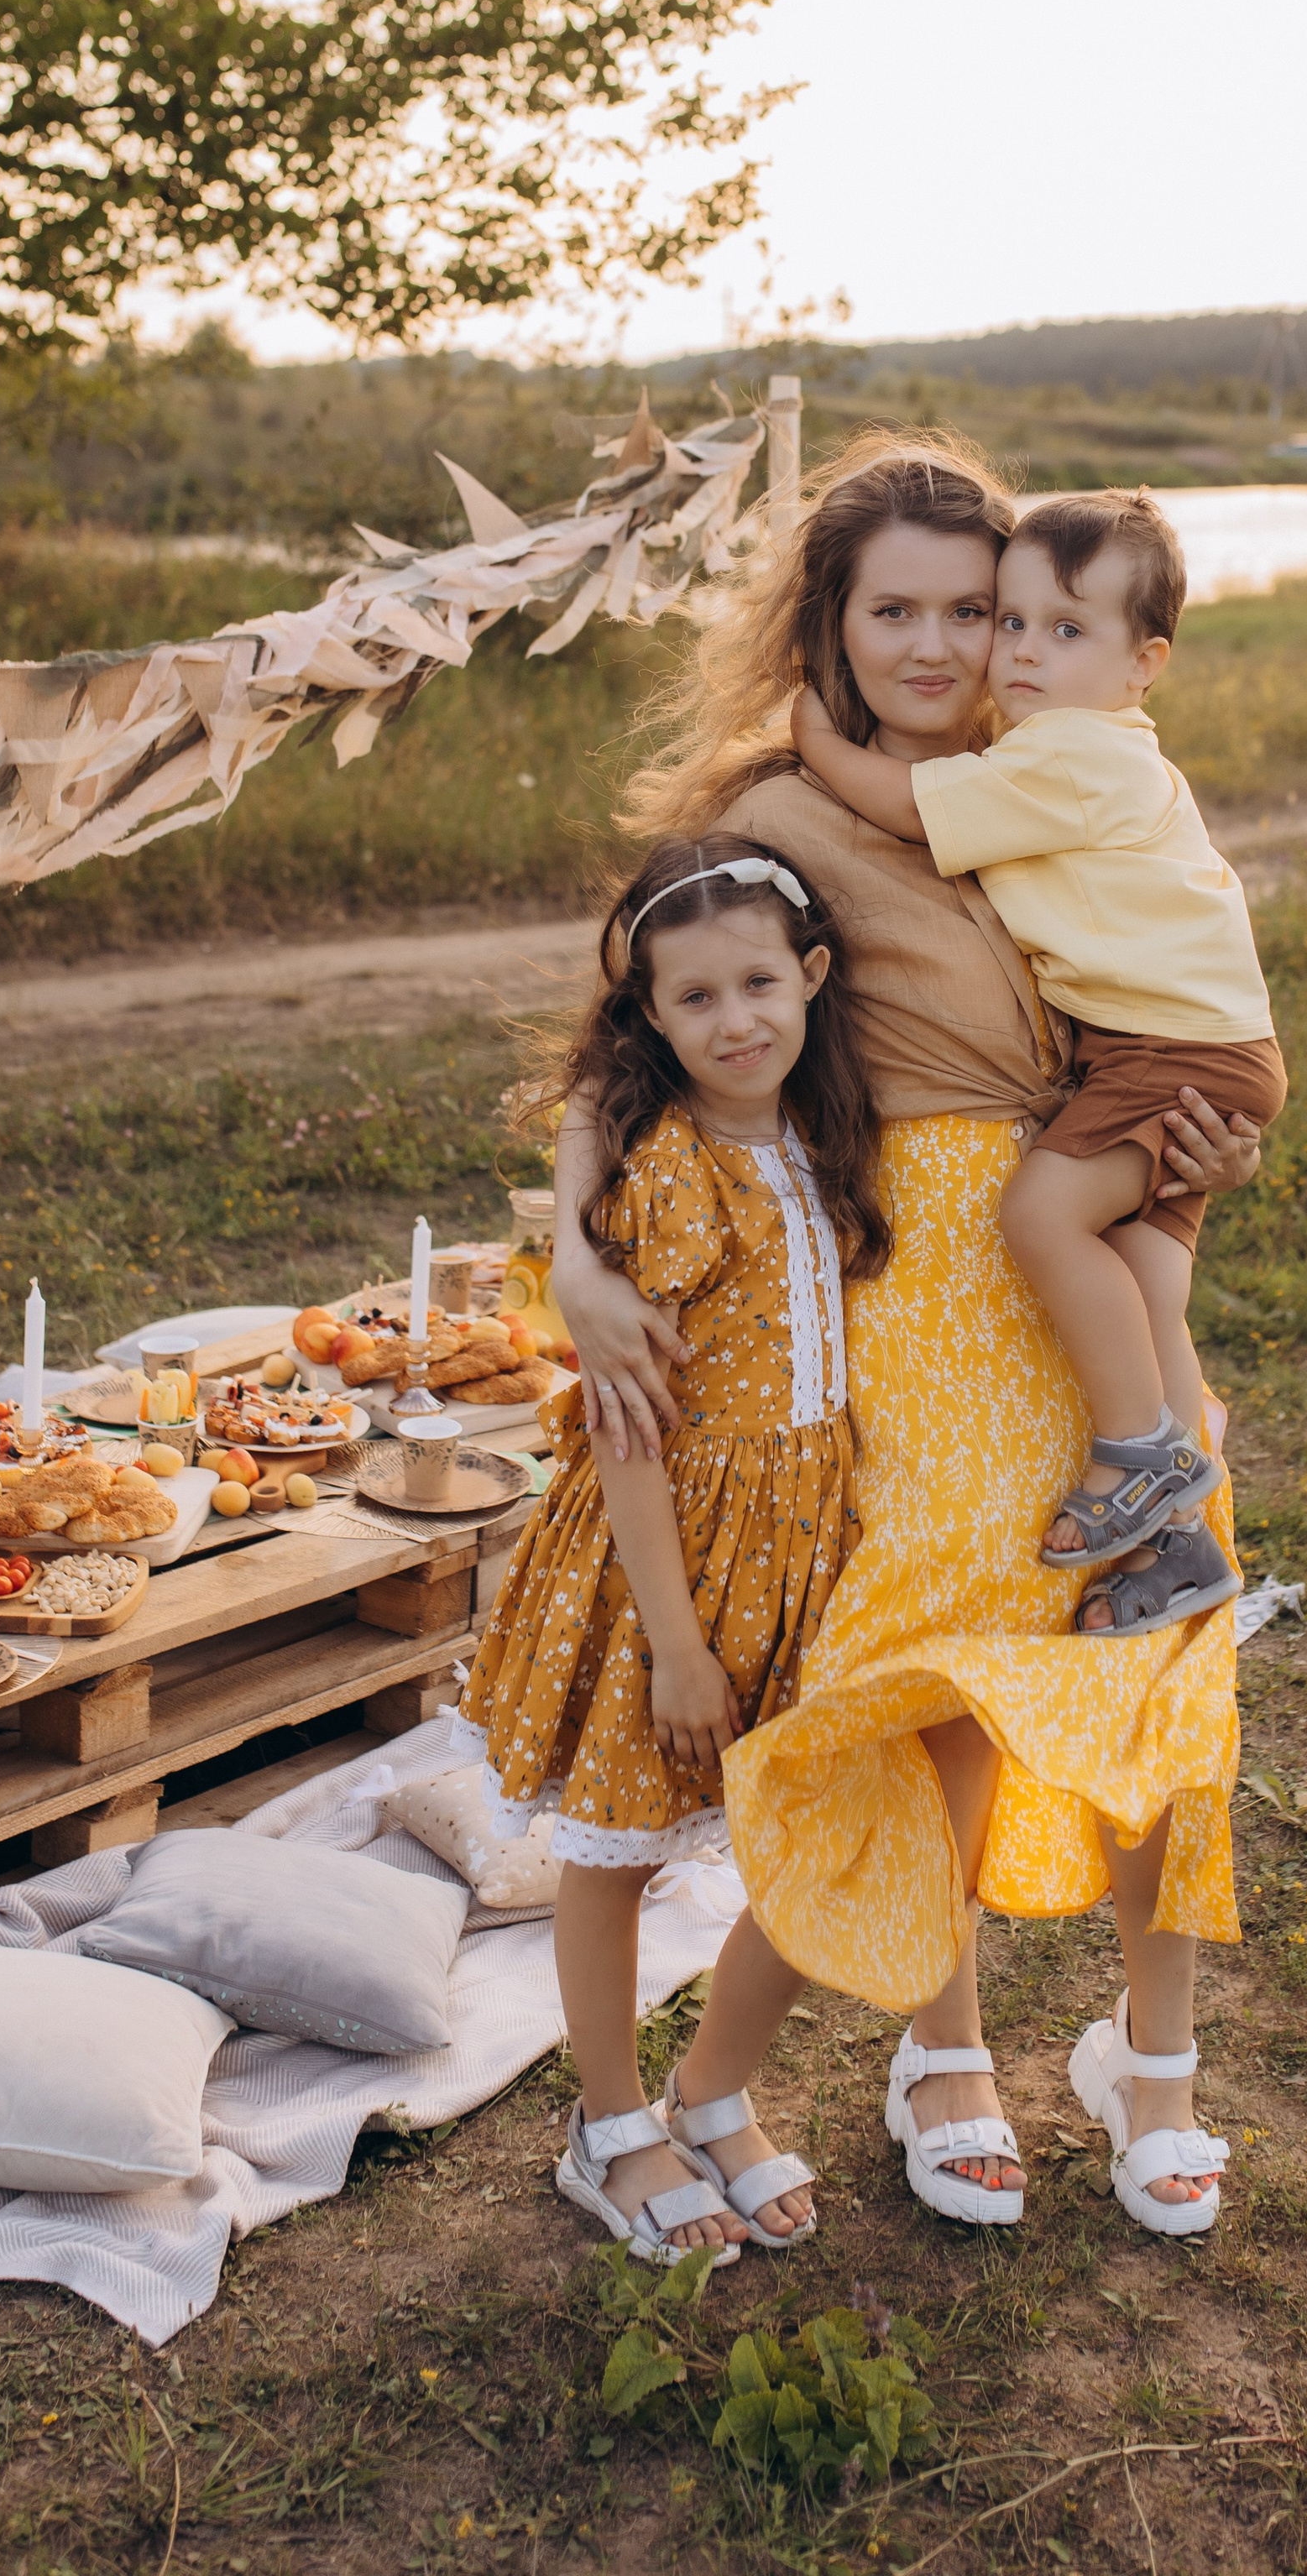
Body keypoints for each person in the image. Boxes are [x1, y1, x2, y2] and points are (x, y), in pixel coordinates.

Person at [552, 432, 1263, 2243]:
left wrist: (1212, 1149)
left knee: (1162, 1644)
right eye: (897, 612)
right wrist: (571, 1258)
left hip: (1095, 1249)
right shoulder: (776, 811)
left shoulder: (1067, 768)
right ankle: (941, 2048)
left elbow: (1184, 995)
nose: (942, 647)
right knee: (938, 1663)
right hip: (919, 1273)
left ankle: (1153, 2059)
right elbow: (616, 1045)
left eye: (975, 609)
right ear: (831, 621)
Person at [454, 833, 886, 2263]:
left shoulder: (826, 1138)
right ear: (651, 1016)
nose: (736, 1020)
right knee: (619, 1848)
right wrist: (678, 1646)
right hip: (668, 1564)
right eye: (695, 999)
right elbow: (629, 1434)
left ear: (812, 975)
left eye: (759, 983)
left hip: (807, 1547)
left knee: (816, 1831)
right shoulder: (669, 1176)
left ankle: (715, 2089)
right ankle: (610, 2124)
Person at [790, 488, 1286, 1640]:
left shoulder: (1066, 753)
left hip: (1161, 1053)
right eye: (1010, 621)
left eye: (1060, 630)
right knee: (1149, 1290)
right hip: (1199, 1049)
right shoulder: (1066, 752)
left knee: (1045, 1217)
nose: (1016, 652)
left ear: (1144, 664)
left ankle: (1142, 1455)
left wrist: (815, 741)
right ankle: (1181, 1546)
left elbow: (910, 809)